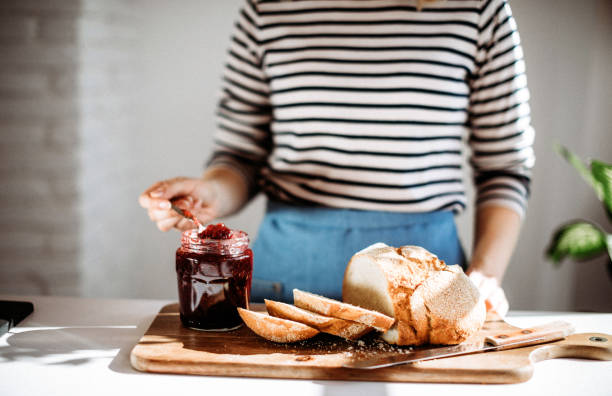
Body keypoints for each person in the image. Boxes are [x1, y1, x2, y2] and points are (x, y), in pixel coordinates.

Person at [139, 0, 534, 317]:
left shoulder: (480, 11)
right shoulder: (266, 9)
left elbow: (505, 168)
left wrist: (485, 274)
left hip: (426, 289)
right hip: (286, 284)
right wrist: (212, 192)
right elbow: (241, 156)